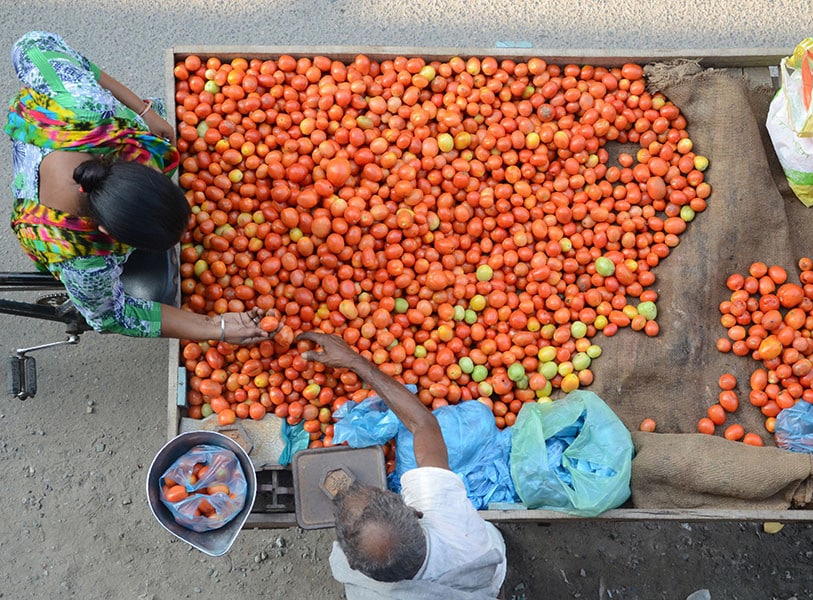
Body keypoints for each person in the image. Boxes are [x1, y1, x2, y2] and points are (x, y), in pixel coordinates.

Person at [5, 31, 268, 345]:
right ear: (105, 232)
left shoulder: (82, 104)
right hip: (52, 227)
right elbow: (112, 316)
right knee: (156, 290)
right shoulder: (83, 259)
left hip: (77, 127)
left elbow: (31, 42)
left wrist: (145, 112)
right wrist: (214, 327)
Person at [297, 331, 507, 600]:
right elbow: (423, 424)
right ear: (416, 512)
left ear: (353, 566)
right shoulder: (446, 515)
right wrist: (354, 360)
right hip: (485, 573)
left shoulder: (361, 590)